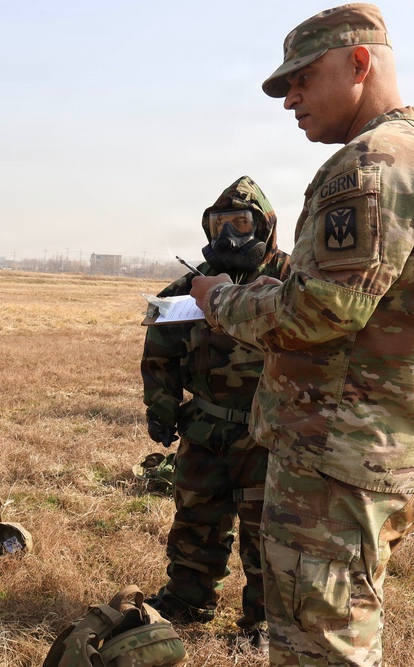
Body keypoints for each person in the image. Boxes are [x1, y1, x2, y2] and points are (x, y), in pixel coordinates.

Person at [189, 4, 414, 665]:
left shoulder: (371, 163)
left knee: (321, 646)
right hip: (362, 451)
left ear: (359, 63)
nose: (291, 99)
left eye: (303, 79)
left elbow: (318, 311)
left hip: (335, 460)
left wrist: (219, 299)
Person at [142, 176, 290, 652]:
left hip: (269, 435)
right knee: (195, 518)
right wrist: (161, 406)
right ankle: (187, 599)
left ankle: (265, 623)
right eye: (219, 224)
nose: (228, 235)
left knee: (267, 533)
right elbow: (159, 351)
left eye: (241, 223)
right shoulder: (191, 287)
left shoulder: (293, 281)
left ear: (264, 226)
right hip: (205, 429)